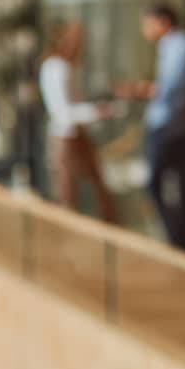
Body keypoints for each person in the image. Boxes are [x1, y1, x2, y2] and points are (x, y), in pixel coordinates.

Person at [117, 3, 185, 251]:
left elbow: (172, 90)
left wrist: (141, 90)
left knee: (159, 184)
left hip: (170, 127)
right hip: (171, 125)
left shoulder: (182, 45)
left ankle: (177, 241)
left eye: (147, 24)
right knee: (171, 186)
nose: (145, 30)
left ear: (162, 21)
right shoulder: (170, 46)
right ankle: (177, 240)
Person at [38, 21, 116, 222]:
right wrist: (95, 112)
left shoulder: (66, 67)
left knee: (97, 186)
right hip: (64, 135)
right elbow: (62, 112)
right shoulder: (56, 67)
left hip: (76, 132)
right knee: (67, 193)